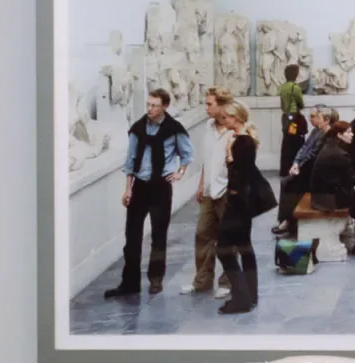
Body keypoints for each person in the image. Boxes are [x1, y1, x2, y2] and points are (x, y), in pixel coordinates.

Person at [103, 87, 193, 300]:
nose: (150, 109)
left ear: (165, 106)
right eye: (148, 104)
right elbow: (130, 160)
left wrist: (180, 172)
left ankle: (156, 279)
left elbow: (187, 154)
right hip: (140, 186)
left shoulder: (174, 129)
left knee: (158, 236)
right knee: (132, 237)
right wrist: (128, 189)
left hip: (161, 186)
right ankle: (130, 283)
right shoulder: (138, 128)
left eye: (155, 105)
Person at [215, 103, 272, 314]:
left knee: (224, 248)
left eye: (227, 117)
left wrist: (229, 157)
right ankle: (249, 295)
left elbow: (240, 172)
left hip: (239, 201)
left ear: (236, 118)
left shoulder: (242, 142)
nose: (224, 121)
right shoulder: (244, 140)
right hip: (242, 201)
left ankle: (241, 296)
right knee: (244, 247)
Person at [185, 86, 236, 296]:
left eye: (209, 104)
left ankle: (228, 282)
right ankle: (202, 281)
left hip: (227, 191)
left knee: (228, 237)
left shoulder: (234, 130)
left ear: (221, 105)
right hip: (209, 189)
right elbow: (207, 159)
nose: (206, 108)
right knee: (203, 234)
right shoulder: (208, 126)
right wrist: (201, 184)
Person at [307, 119, 355, 256]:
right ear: (339, 135)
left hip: (321, 196)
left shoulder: (330, 146)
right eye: (348, 132)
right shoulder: (339, 154)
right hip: (328, 199)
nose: (352, 134)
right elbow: (351, 181)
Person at [274, 105, 332, 232]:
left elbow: (313, 155)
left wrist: (299, 167)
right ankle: (287, 220)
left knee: (288, 183)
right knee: (288, 182)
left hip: (314, 173)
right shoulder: (316, 131)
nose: (311, 119)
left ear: (326, 119)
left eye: (314, 117)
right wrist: (296, 162)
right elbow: (304, 147)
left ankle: (288, 220)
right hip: (306, 168)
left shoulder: (326, 134)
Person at [278, 62, 308, 177]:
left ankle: (284, 168)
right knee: (296, 141)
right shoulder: (295, 87)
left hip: (286, 117)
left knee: (287, 142)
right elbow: (301, 104)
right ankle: (295, 166)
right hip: (294, 118)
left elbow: (282, 104)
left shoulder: (282, 87)